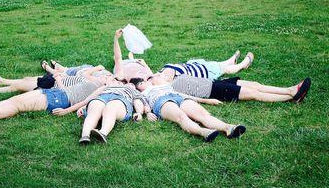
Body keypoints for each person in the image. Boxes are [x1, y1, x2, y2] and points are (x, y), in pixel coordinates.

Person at [135, 80, 246, 142]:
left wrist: (205, 100)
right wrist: (148, 113)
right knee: (181, 117)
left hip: (177, 97)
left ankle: (228, 128)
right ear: (139, 87)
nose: (145, 82)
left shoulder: (164, 86)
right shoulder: (142, 93)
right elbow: (144, 103)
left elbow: (181, 94)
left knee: (203, 115)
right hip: (160, 101)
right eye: (141, 83)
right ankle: (203, 132)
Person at [0, 79, 106, 121]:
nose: (108, 76)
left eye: (115, 79)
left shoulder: (102, 89)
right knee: (14, 100)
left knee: (17, 106)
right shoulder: (96, 82)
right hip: (55, 92)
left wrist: (66, 111)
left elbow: (87, 102)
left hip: (59, 100)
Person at [132, 73, 311, 103]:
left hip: (216, 83)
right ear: (143, 88)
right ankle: (291, 95)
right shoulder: (163, 89)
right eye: (146, 80)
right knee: (255, 94)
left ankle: (288, 88)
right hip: (215, 91)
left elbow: (150, 73)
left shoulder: (161, 80)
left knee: (255, 85)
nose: (151, 77)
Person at [78, 82, 154, 144]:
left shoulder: (134, 91)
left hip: (121, 98)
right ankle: (85, 135)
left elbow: (137, 101)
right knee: (95, 107)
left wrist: (139, 113)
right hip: (103, 96)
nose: (128, 84)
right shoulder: (109, 87)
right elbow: (94, 98)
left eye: (131, 84)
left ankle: (103, 132)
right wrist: (84, 107)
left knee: (111, 107)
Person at [0, 65, 112, 94]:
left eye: (109, 79)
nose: (107, 76)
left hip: (53, 84)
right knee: (26, 79)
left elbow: (67, 91)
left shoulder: (95, 87)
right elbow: (82, 76)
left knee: (18, 87)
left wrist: (59, 79)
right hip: (56, 78)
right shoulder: (94, 81)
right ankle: (2, 80)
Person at [159, 50, 254, 81]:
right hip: (206, 73)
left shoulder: (160, 72)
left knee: (217, 64)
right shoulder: (172, 80)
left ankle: (230, 61)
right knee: (223, 69)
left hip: (197, 65)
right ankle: (242, 65)